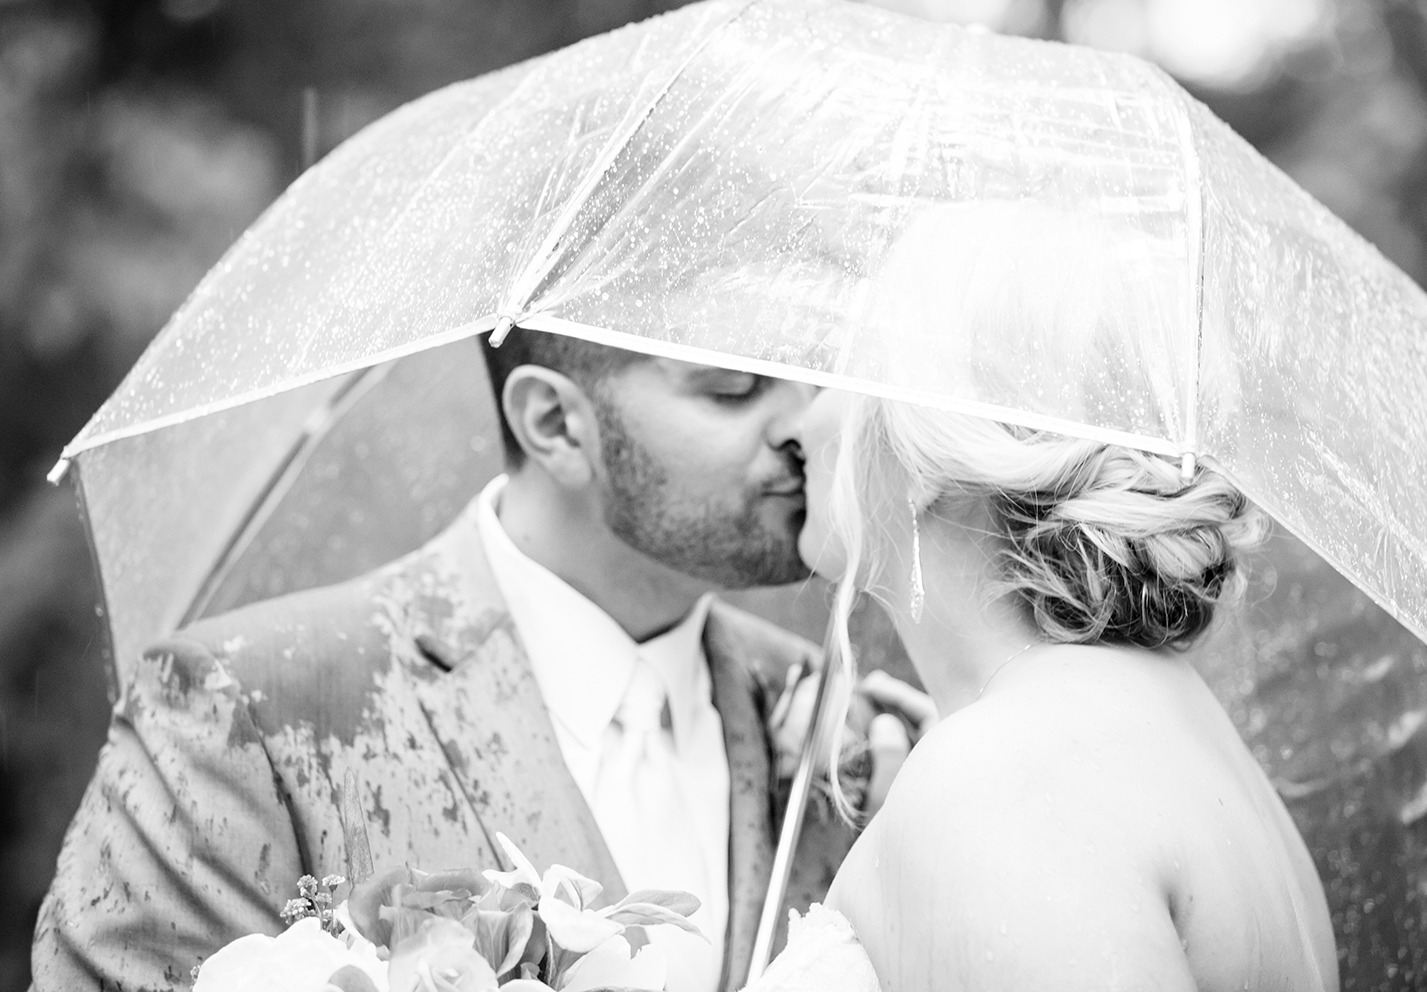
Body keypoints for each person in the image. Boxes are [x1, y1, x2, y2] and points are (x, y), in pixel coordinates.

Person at [32, 330, 927, 992]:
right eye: (734, 387)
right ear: (555, 422)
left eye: (811, 377)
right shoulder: (246, 706)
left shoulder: (848, 731)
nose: (805, 426)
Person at [748, 391, 1339, 992]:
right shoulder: (1167, 712)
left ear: (922, 460)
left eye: (827, 383)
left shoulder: (994, 783)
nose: (798, 422)